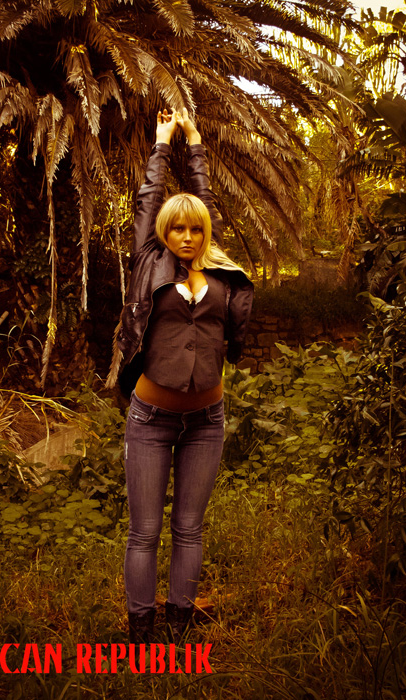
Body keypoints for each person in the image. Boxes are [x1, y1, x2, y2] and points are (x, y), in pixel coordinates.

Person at [107, 108, 254, 645]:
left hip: (207, 422)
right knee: (144, 531)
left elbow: (201, 203)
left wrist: (196, 139)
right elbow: (149, 199)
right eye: (177, 228)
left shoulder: (216, 268)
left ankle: (178, 627)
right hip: (150, 419)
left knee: (189, 528)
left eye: (195, 229)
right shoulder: (149, 259)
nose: (187, 236)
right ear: (163, 233)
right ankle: (141, 633)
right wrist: (164, 141)